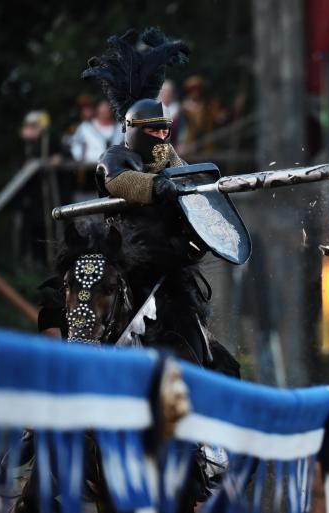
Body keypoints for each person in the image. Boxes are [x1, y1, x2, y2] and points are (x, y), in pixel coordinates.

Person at [81, 28, 241, 378]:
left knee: (216, 361)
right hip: (127, 269)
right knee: (89, 338)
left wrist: (203, 228)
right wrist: (157, 187)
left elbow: (199, 198)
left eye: (164, 131)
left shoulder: (173, 162)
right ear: (136, 129)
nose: (161, 137)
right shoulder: (116, 156)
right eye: (153, 132)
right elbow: (118, 181)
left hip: (169, 269)